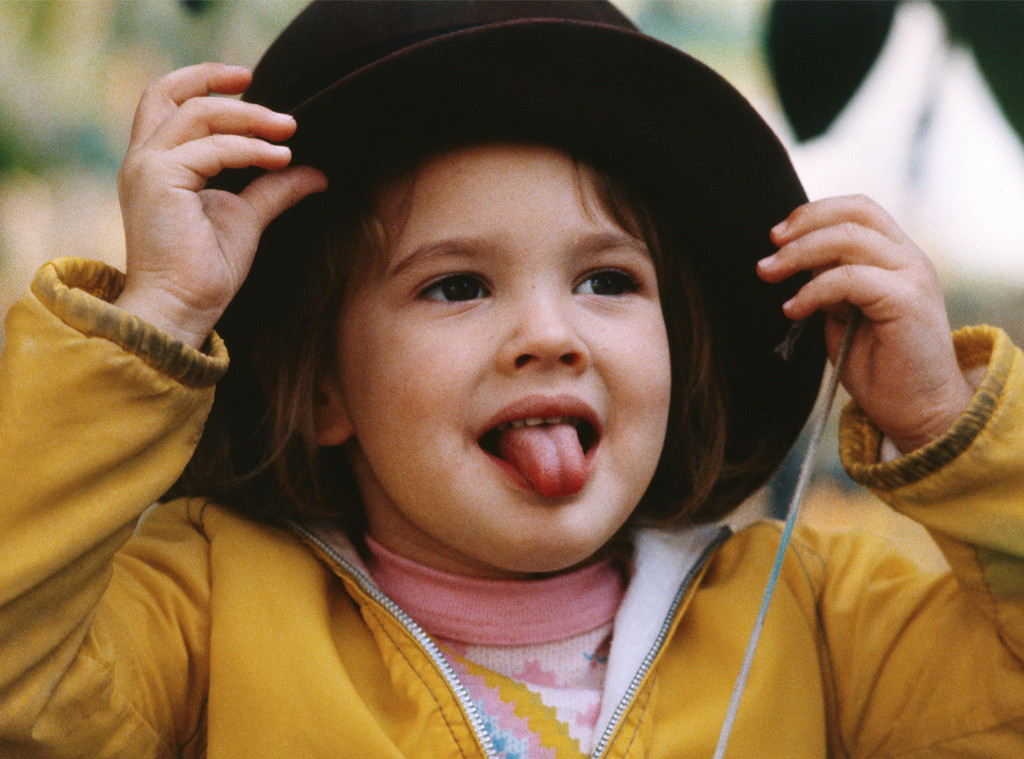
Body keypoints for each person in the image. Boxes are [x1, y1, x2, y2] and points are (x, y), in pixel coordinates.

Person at [1, 2, 1021, 757]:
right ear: (321, 389)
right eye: (455, 287)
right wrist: (163, 312)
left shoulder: (817, 623)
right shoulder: (205, 612)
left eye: (606, 280)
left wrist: (942, 420)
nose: (549, 335)